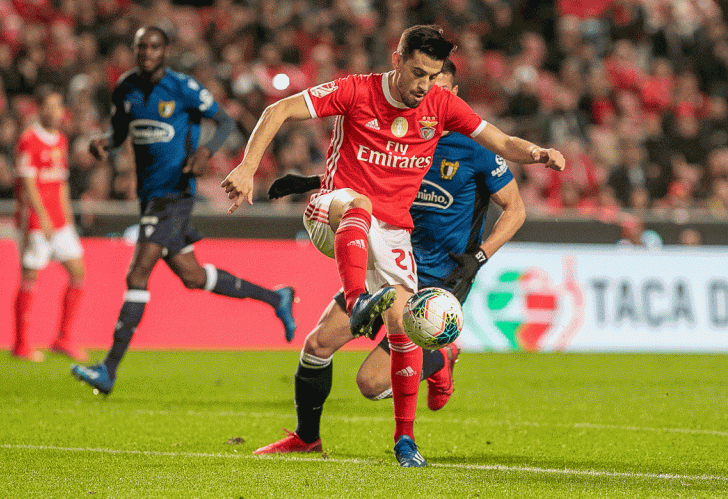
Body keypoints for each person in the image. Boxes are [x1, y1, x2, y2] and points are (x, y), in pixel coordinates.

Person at [221, 24, 564, 467]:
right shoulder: (356, 90)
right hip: (336, 211)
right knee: (359, 205)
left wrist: (538, 153)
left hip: (391, 235)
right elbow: (279, 108)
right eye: (418, 72)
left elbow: (502, 142)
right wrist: (249, 166)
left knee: (344, 341)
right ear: (397, 59)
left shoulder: (442, 107)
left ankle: (390, 440)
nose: (424, 85)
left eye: (432, 75)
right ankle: (358, 298)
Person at [70, 26, 297, 395]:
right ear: (134, 49)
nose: (147, 52)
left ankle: (108, 369)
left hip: (174, 194)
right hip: (149, 196)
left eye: (154, 46)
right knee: (192, 276)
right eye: (141, 46)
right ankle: (277, 298)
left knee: (137, 274)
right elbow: (119, 131)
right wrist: (105, 144)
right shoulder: (126, 88)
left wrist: (206, 152)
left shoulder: (182, 88)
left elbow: (224, 120)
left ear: (165, 50)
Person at [12, 85, 87, 362]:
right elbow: (28, 182)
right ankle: (21, 344)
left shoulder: (61, 141)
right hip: (35, 221)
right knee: (30, 277)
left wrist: (67, 219)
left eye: (59, 106)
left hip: (60, 221)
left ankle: (63, 339)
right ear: (40, 108)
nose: (57, 112)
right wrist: (41, 217)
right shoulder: (29, 139)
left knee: (78, 272)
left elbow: (62, 182)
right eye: (52, 106)